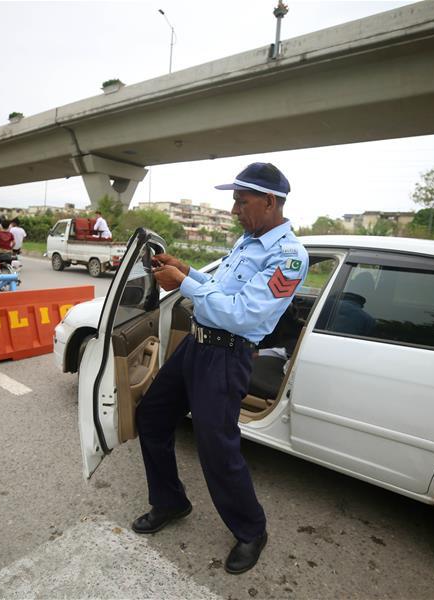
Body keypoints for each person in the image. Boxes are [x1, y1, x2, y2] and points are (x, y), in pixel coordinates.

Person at [132, 162, 308, 575]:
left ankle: (251, 530)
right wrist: (188, 271)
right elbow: (219, 290)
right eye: (233, 200)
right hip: (196, 344)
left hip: (227, 355)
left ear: (269, 202)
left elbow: (243, 315)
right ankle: (170, 502)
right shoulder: (248, 242)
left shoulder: (289, 256)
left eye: (240, 201)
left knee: (217, 448)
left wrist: (183, 283)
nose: (233, 210)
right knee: (153, 417)